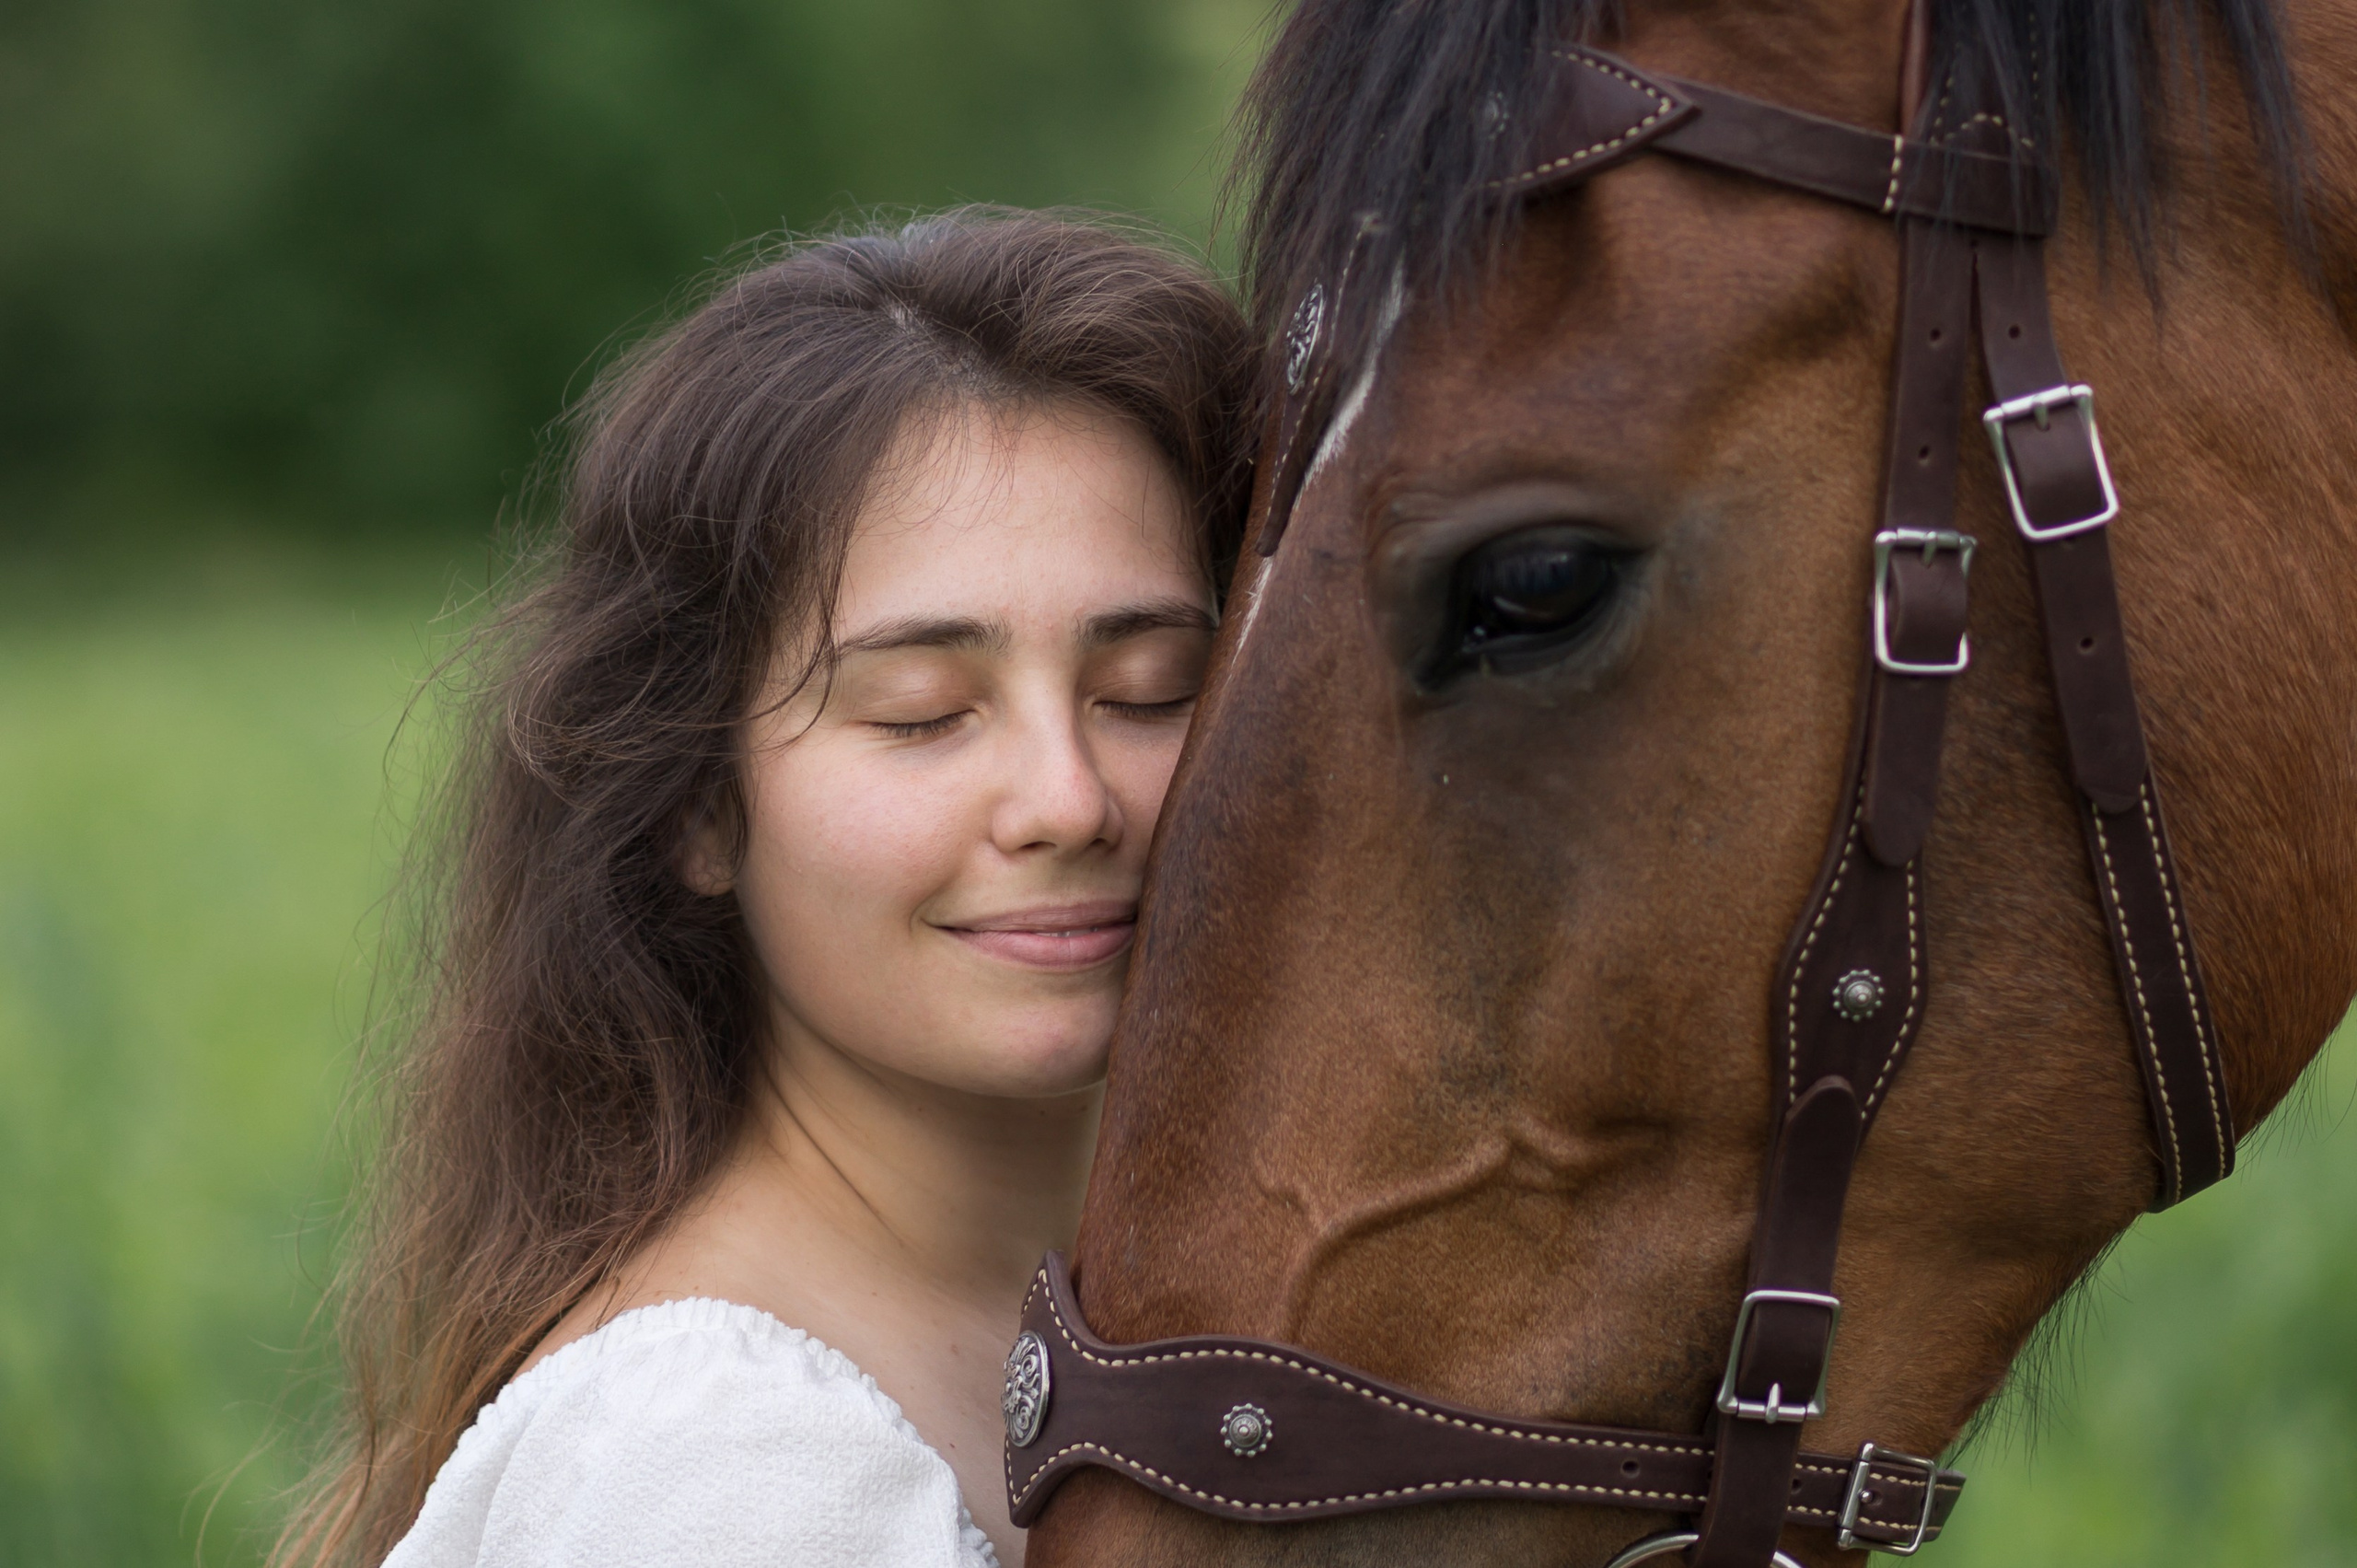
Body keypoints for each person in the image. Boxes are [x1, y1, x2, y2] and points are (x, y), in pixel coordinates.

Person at [274, 210, 1256, 1568]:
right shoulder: (718, 1466)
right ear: (698, 803)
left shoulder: (1194, 1323)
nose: (1070, 800)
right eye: (922, 713)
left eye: (1151, 689)